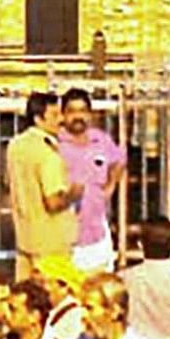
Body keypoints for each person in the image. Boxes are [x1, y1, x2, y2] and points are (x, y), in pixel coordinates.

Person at [0, 92, 79, 296]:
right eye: (54, 115)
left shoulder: (15, 146)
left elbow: (7, 183)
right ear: (38, 118)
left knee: (25, 300)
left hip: (25, 237)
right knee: (52, 299)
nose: (61, 120)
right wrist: (74, 194)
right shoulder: (48, 155)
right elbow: (53, 202)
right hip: (51, 242)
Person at [53, 87, 124, 279]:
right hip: (65, 236)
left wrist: (111, 186)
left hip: (97, 232)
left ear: (90, 114)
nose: (78, 116)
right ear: (62, 115)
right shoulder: (55, 143)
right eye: (72, 111)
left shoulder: (101, 139)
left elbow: (119, 161)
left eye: (82, 111)